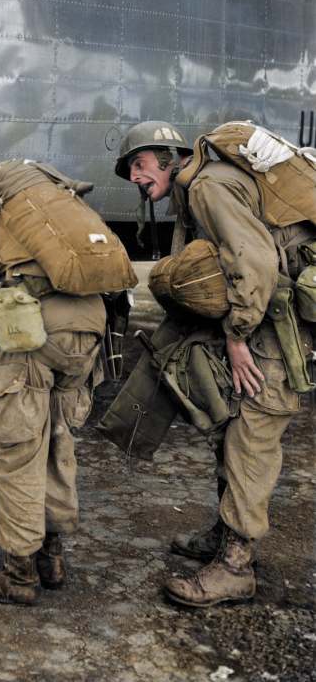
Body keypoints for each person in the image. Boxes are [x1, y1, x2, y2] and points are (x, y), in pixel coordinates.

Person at [114, 119, 316, 607]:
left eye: (140, 165)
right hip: (264, 310)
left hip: (274, 317)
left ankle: (235, 566)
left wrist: (237, 334)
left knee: (253, 431)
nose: (137, 178)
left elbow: (256, 263)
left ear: (167, 157)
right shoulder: (193, 188)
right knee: (230, 422)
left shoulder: (208, 185)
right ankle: (225, 534)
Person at [0, 162, 123, 606]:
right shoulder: (47, 215)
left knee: (15, 450)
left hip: (29, 334)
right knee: (56, 440)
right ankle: (52, 557)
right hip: (87, 332)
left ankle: (18, 574)